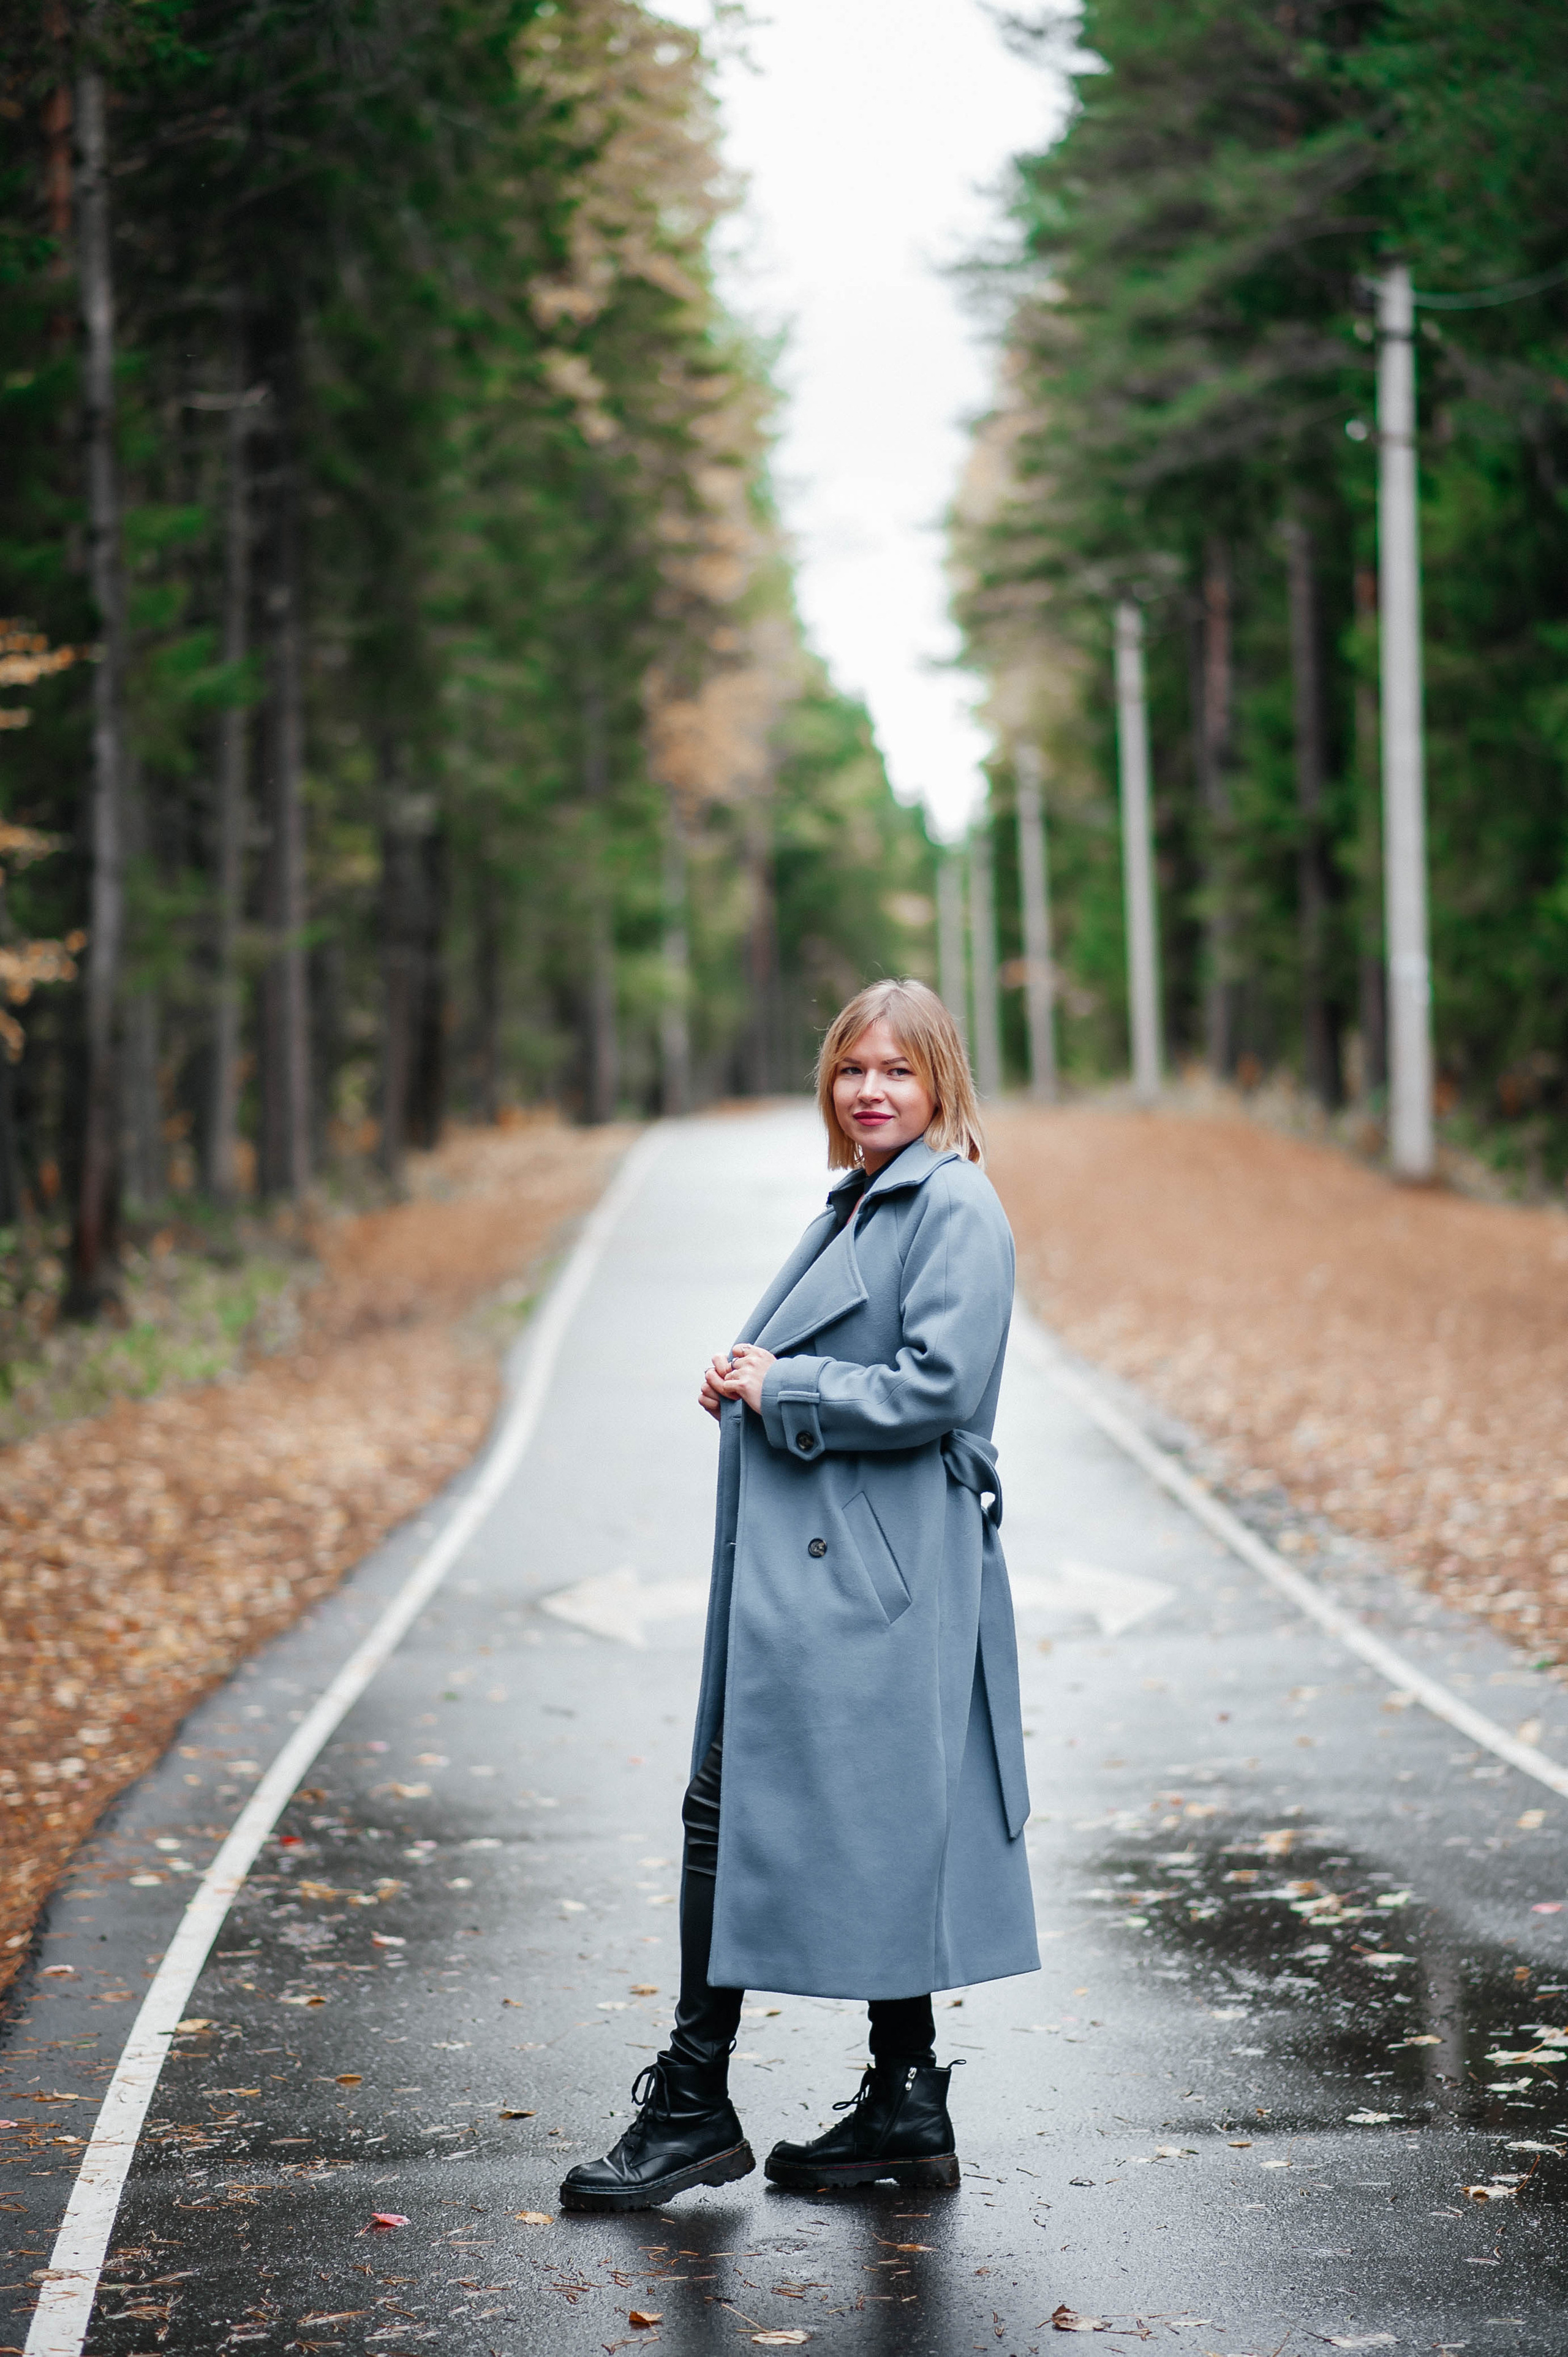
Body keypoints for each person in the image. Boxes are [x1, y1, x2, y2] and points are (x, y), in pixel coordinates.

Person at [560, 977, 1038, 2213]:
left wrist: (787, 1389)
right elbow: (838, 1350)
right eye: (848, 1069)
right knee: (861, 1814)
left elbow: (935, 1386)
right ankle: (901, 2092)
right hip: (836, 1565)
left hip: (879, 1571)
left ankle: (692, 2099)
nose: (868, 1090)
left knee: (740, 1805)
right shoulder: (864, 1202)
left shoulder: (953, 1203)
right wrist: (749, 1372)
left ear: (940, 1082)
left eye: (894, 1069)